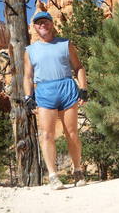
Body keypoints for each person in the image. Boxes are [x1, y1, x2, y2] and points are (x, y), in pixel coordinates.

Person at [23, 11, 88, 190]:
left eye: (45, 21)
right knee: (46, 134)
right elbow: (28, 76)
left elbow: (79, 67)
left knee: (72, 133)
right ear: (35, 27)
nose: (42, 24)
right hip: (44, 91)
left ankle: (78, 171)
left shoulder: (65, 44)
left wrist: (83, 89)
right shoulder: (30, 50)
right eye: (38, 23)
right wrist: (28, 97)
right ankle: (53, 176)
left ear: (51, 23)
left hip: (67, 88)